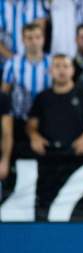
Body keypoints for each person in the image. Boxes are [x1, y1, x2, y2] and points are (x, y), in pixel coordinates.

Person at [27, 54, 83, 156]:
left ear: (72, 70)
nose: (61, 70)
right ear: (50, 71)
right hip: (49, 154)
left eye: (65, 66)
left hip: (79, 154)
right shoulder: (42, 97)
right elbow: (31, 125)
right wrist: (34, 137)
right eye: (57, 66)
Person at [1, 23, 50, 157]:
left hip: (46, 121)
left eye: (37, 37)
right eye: (29, 38)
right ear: (23, 40)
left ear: (43, 39)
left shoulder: (52, 63)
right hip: (20, 120)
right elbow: (4, 93)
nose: (34, 41)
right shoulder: (13, 63)